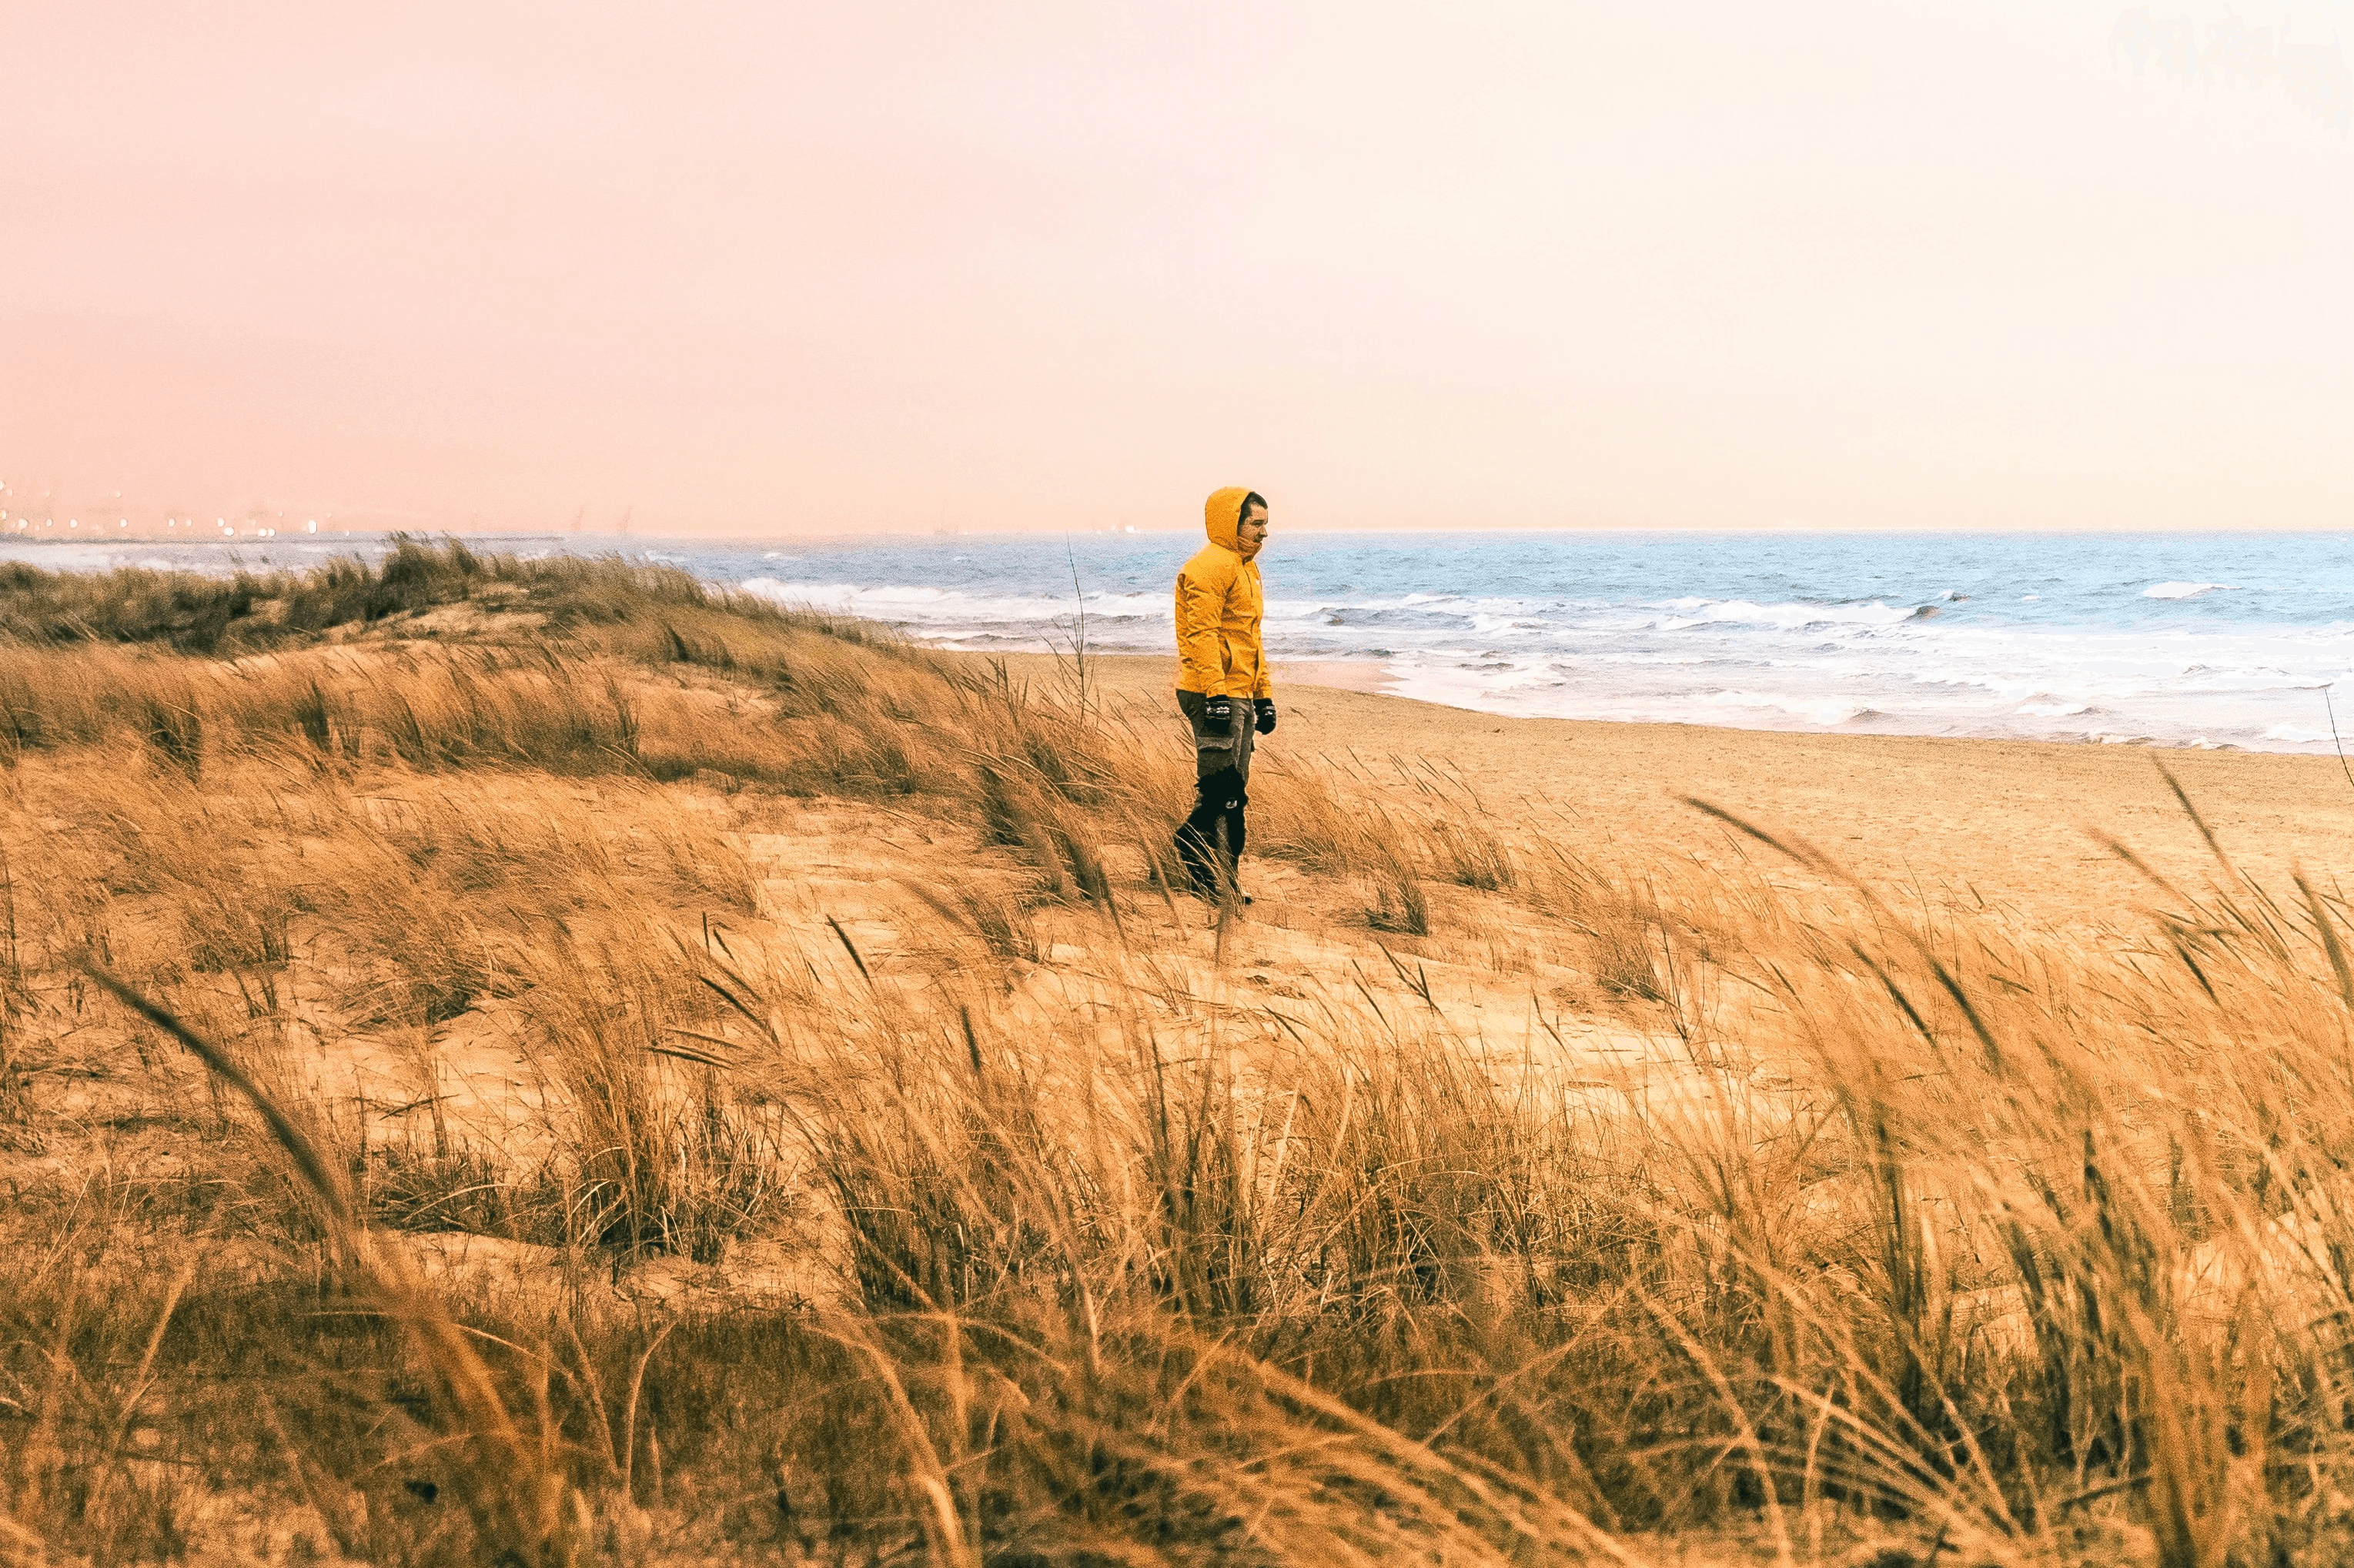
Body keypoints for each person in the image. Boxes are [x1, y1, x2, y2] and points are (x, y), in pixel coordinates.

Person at [1172, 486, 1275, 901]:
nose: (1264, 534)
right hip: (1211, 692)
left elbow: (1251, 637)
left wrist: (1263, 695)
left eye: (1266, 525)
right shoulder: (1208, 567)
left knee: (1235, 793)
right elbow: (1200, 635)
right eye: (1256, 524)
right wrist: (1215, 695)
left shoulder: (1246, 568)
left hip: (1240, 694)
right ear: (1231, 522)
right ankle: (1199, 867)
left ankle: (1224, 882)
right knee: (1221, 792)